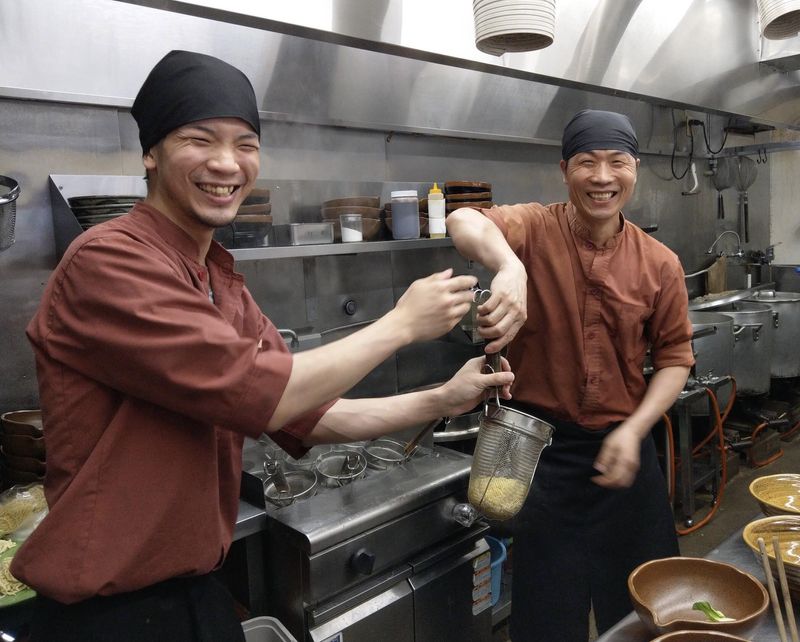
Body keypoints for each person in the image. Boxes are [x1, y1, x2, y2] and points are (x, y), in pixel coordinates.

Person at [11, 50, 514, 642]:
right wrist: (400, 323)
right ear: (151, 151)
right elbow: (265, 397)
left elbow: (308, 415)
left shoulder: (218, 280)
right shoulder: (109, 260)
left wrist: (442, 399)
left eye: (245, 144)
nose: (227, 163)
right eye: (200, 139)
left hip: (194, 593)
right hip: (110, 614)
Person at [446, 109, 694, 641]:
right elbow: (462, 221)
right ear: (565, 170)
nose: (602, 177)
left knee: (643, 612)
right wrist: (510, 266)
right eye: (587, 162)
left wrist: (634, 428)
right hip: (543, 456)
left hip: (624, 454)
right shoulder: (534, 228)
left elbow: (675, 360)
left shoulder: (661, 264)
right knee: (546, 618)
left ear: (635, 169)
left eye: (616, 162)